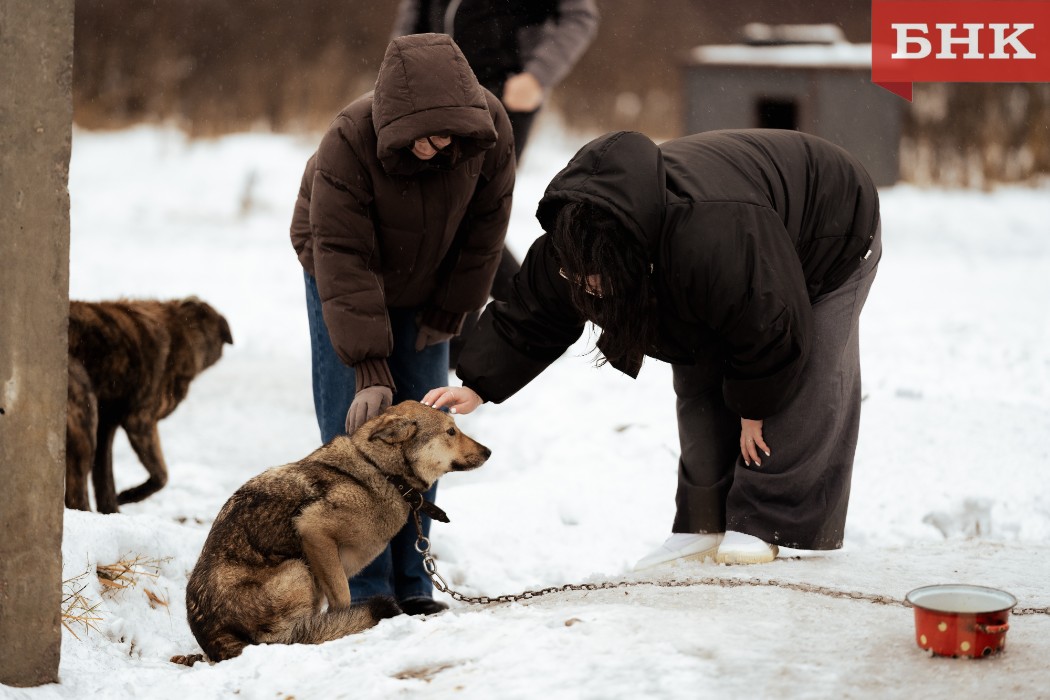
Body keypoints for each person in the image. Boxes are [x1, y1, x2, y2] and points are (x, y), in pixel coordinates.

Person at [422, 129, 882, 568]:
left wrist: (754, 406)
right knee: (699, 377)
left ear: (629, 255)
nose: (585, 287)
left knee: (801, 380)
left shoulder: (714, 236)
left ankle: (767, 522)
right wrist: (477, 385)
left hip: (831, 223)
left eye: (596, 279)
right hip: (728, 256)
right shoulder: (573, 239)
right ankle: (703, 524)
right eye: (576, 277)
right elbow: (531, 314)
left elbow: (771, 323)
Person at [289, 33, 515, 614]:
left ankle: (413, 579)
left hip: (430, 281)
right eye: (419, 135)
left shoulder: (489, 133)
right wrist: (367, 363)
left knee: (428, 430)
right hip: (344, 274)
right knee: (357, 430)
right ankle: (362, 587)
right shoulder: (348, 140)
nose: (433, 144)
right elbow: (340, 252)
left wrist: (452, 309)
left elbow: (486, 231)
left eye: (445, 135)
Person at [392, 0, 600, 367]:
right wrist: (398, 72)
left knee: (467, 208)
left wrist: (537, 75)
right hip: (435, 91)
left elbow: (579, 15)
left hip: (502, 92)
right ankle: (535, 309)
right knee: (449, 210)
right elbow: (415, 15)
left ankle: (517, 316)